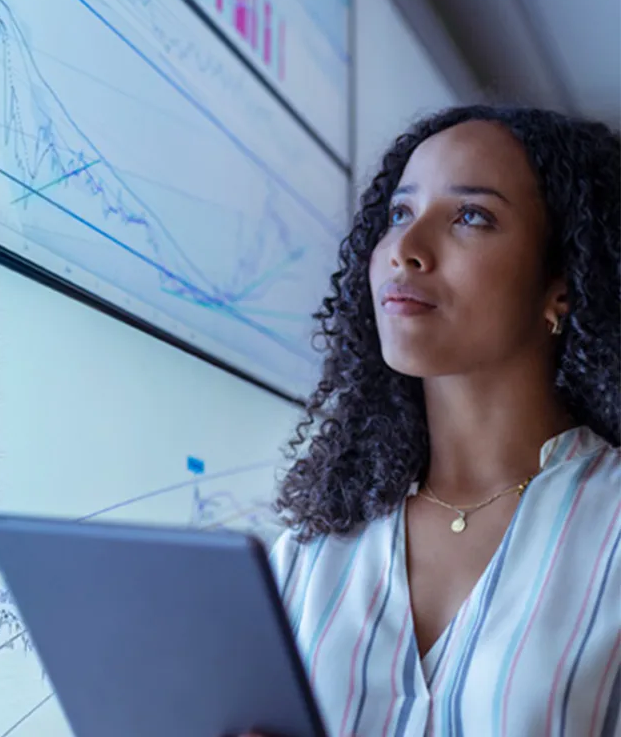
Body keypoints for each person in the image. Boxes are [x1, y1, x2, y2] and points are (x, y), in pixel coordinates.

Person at [254, 106, 619, 736]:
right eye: (399, 214)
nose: (406, 250)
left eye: (471, 216)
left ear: (561, 283)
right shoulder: (310, 552)